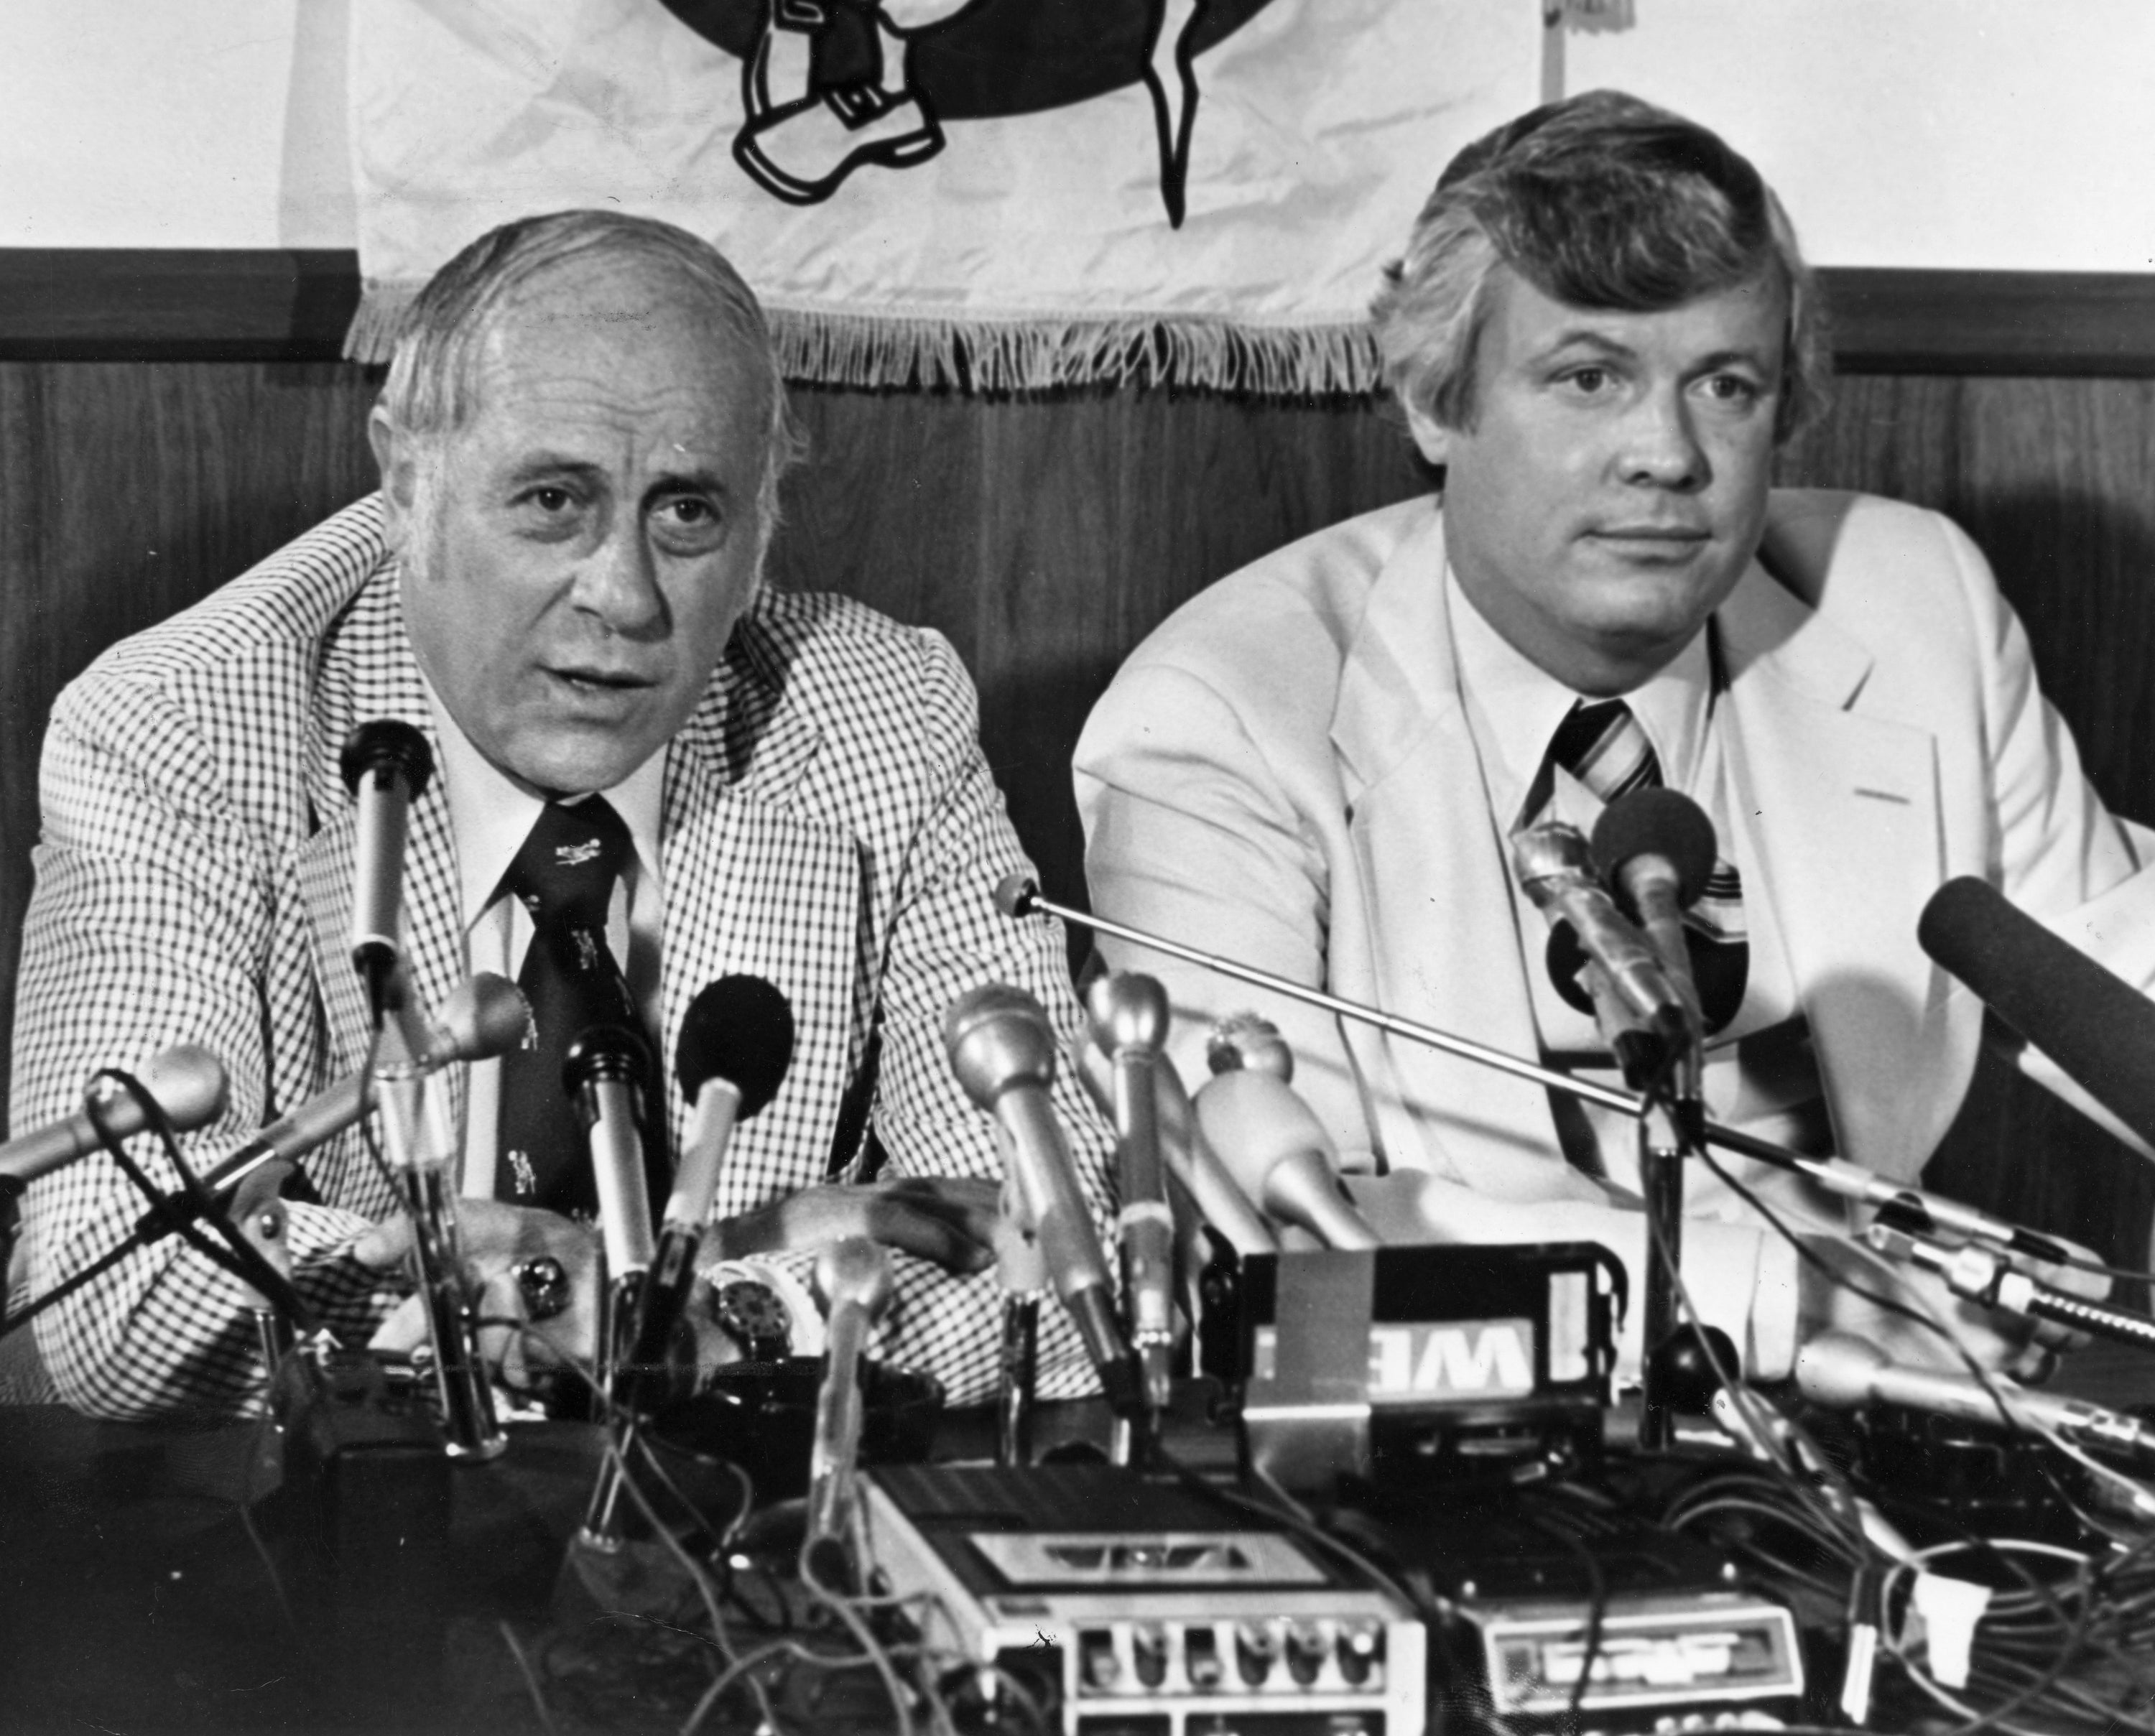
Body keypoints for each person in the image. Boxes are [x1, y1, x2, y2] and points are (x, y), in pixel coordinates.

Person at [1076, 90, 2146, 1382]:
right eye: (1590, 378)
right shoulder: (1220, 710)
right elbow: (1288, 1234)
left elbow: (2116, 975)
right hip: (1458, 1426)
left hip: (1903, 1398)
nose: (1667, 455)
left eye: (1726, 386)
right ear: (1433, 400)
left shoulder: (1914, 604)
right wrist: (1806, 1297)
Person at [10, 209, 1113, 1421]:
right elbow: (117, 1297)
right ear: (407, 483)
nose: (625, 596)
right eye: (552, 500)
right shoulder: (185, 723)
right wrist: (723, 1261)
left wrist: (705, 1311)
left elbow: (1075, 1259)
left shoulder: (879, 715)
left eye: (687, 512)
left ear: (759, 532)